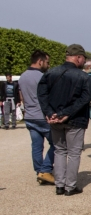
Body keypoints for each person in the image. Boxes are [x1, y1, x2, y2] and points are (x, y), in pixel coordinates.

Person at [37, 44, 91, 196]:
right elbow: (85, 98)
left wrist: (49, 113)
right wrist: (66, 113)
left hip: (54, 118)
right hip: (75, 118)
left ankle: (59, 185)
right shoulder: (84, 77)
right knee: (74, 153)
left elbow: (41, 94)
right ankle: (70, 186)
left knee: (59, 151)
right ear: (79, 58)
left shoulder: (50, 73)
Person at [19, 50, 55, 185]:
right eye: (47, 62)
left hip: (29, 116)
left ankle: (39, 171)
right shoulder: (43, 77)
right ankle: (45, 170)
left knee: (36, 146)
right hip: (42, 115)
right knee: (57, 144)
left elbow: (22, 96)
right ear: (40, 61)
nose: (48, 65)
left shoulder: (23, 76)